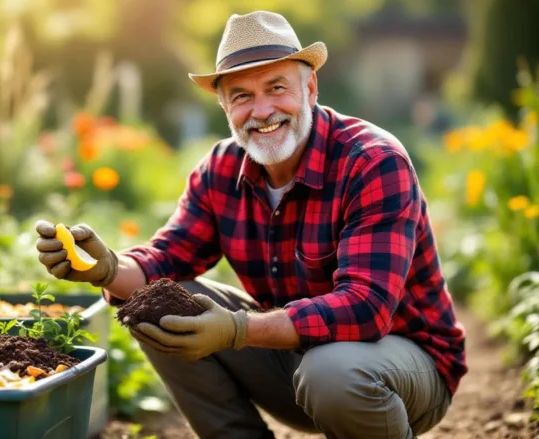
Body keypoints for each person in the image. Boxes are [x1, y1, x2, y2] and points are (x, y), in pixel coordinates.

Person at [35, 10, 467, 439]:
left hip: (399, 369)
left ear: (310, 88)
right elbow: (166, 257)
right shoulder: (221, 169)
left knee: (332, 371)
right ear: (224, 106)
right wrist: (107, 268)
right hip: (298, 363)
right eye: (241, 96)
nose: (262, 111)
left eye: (276, 88)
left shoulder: (371, 162)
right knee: (158, 302)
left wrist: (237, 329)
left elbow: (366, 308)